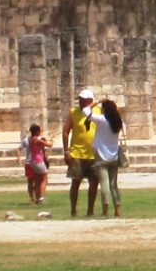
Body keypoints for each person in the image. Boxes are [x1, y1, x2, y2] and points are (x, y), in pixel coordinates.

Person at [82, 98, 125, 217]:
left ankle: (105, 209)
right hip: (114, 156)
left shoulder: (101, 120)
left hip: (101, 155)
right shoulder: (118, 123)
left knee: (104, 184)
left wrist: (97, 101)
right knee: (113, 185)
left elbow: (85, 110)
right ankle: (118, 209)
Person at [62, 88, 100, 217]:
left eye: (84, 100)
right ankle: (73, 210)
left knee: (94, 183)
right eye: (80, 99)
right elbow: (65, 132)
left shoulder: (98, 112)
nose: (81, 102)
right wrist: (66, 151)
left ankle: (90, 211)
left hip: (94, 153)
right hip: (77, 153)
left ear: (90, 100)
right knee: (75, 183)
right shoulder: (73, 113)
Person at [16, 123, 51, 204]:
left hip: (30, 162)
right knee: (40, 180)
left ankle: (34, 198)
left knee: (33, 181)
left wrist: (18, 157)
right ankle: (39, 197)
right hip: (36, 161)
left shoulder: (28, 140)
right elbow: (46, 149)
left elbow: (19, 148)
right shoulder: (38, 139)